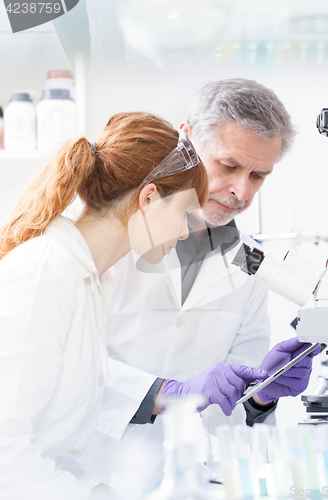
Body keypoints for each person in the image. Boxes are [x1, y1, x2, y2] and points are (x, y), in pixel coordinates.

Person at [0, 111, 268, 500]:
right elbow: (7, 453)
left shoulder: (91, 279)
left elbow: (53, 444)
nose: (183, 231)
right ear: (148, 198)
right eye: (182, 214)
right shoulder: (46, 274)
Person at [77, 79, 320, 494]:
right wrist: (167, 392)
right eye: (228, 166)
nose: (242, 191)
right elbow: (65, 367)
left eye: (258, 175)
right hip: (81, 475)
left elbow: (230, 409)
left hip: (179, 484)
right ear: (186, 140)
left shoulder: (251, 265)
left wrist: (262, 394)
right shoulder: (113, 234)